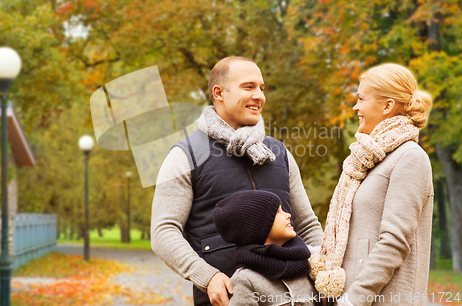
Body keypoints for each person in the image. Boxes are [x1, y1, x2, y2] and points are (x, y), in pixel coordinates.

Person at [151, 56, 323, 306]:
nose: (259, 96)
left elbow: (307, 226)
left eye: (262, 89)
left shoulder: (279, 152)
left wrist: (323, 272)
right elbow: (163, 230)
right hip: (228, 299)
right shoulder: (185, 155)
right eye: (249, 87)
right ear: (219, 93)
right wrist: (207, 277)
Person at [309, 63, 433, 306]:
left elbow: (395, 242)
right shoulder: (368, 160)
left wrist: (354, 300)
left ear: (387, 106)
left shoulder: (410, 157)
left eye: (361, 99)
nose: (356, 107)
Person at [213, 190, 319, 306]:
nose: (288, 215)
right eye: (278, 212)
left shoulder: (308, 262)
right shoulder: (246, 280)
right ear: (257, 228)